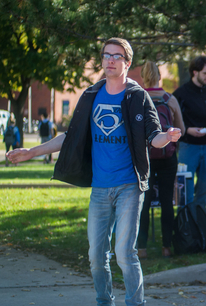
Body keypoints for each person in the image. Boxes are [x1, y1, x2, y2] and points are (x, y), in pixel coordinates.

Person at [7, 37, 182, 306]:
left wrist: (167, 137)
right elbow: (71, 135)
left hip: (129, 187)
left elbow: (153, 137)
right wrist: (31, 152)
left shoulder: (137, 97)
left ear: (128, 62)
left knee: (124, 253)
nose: (110, 60)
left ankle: (135, 303)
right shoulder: (91, 95)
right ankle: (104, 301)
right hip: (100, 188)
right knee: (96, 256)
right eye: (106, 55)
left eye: (117, 56)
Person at [137, 61, 186, 259]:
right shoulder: (169, 99)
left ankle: (141, 248)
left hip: (144, 157)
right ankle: (167, 246)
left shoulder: (137, 98)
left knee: (143, 202)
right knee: (167, 201)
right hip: (167, 157)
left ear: (143, 77)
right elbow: (180, 128)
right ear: (159, 77)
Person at [173, 56, 206, 208]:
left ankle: (200, 224)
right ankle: (185, 227)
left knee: (204, 189)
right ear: (195, 72)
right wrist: (188, 130)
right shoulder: (180, 94)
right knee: (184, 191)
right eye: (205, 73)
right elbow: (172, 120)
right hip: (188, 147)